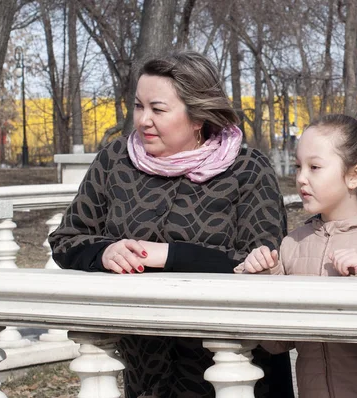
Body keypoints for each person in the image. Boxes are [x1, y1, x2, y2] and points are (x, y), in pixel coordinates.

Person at [49, 51, 294, 398]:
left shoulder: (247, 169)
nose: (143, 120)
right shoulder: (115, 160)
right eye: (138, 106)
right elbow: (65, 239)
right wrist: (104, 253)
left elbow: (260, 262)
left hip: (234, 371)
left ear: (197, 117)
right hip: (146, 369)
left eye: (158, 109)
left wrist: (164, 255)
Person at [236, 114, 357, 398]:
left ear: (354, 176)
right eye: (299, 167)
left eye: (315, 167)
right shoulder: (292, 245)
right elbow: (276, 344)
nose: (301, 178)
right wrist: (264, 277)